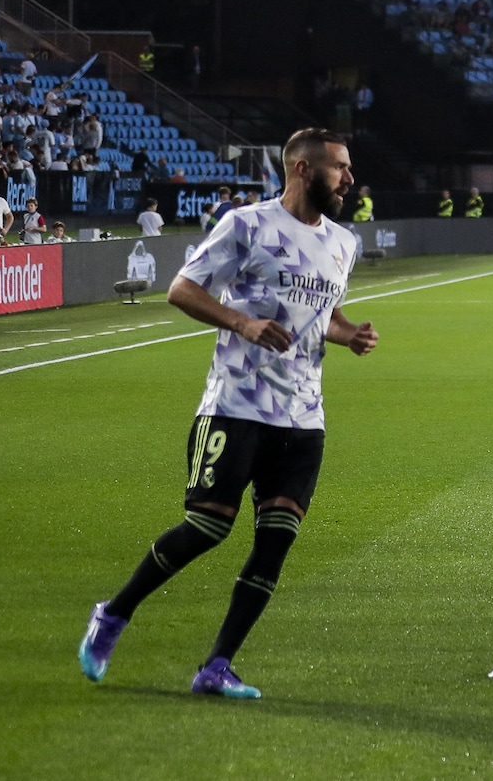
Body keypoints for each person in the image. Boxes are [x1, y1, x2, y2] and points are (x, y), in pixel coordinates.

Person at [78, 129, 375, 700]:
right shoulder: (246, 225)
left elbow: (323, 315)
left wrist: (348, 335)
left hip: (303, 416)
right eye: (338, 167)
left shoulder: (342, 242)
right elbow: (181, 290)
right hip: (236, 405)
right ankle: (113, 614)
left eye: (348, 167)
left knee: (277, 538)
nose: (348, 178)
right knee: (208, 527)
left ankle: (217, 665)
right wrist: (241, 323)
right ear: (299, 168)